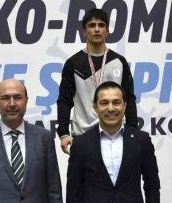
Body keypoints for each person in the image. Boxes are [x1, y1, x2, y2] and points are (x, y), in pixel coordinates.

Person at [57, 8, 138, 154]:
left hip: (115, 136)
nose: (96, 29)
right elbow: (65, 100)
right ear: (84, 31)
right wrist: (63, 133)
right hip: (83, 135)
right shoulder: (73, 63)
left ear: (107, 31)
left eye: (101, 25)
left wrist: (133, 132)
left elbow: (129, 98)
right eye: (92, 25)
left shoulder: (119, 62)